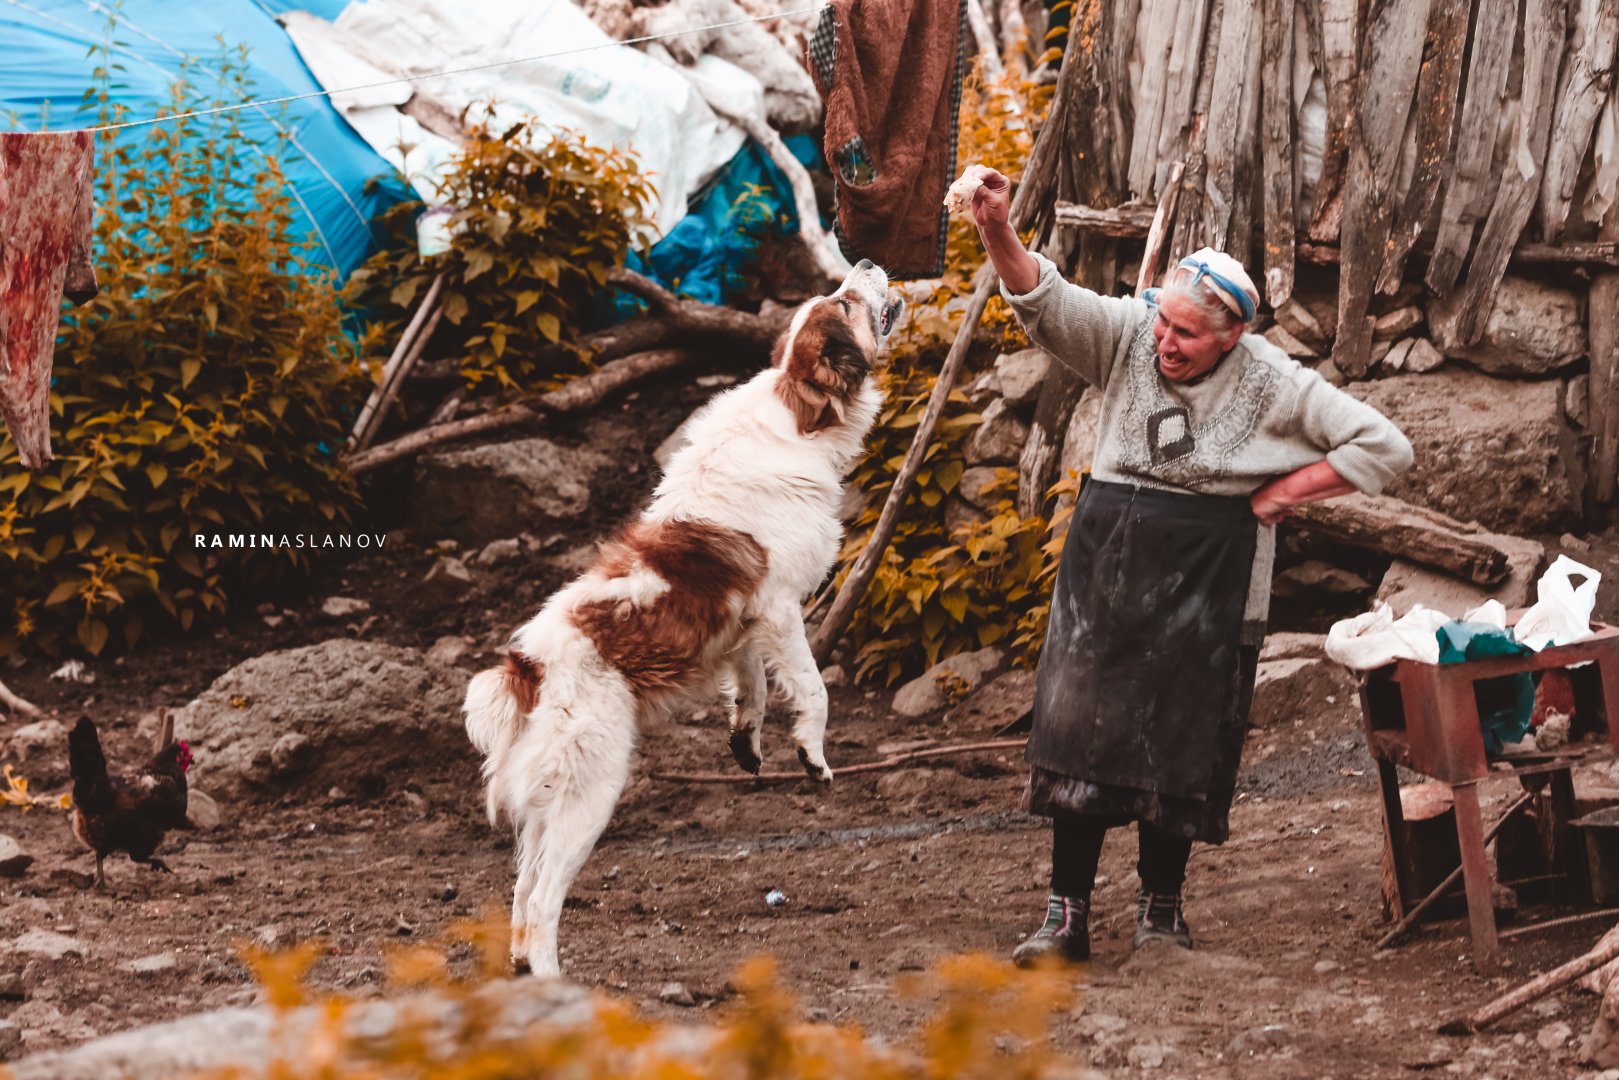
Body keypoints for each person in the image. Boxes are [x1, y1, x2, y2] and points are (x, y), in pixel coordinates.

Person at [963, 167, 1414, 964]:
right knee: (1077, 736)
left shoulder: (1274, 382)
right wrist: (996, 227)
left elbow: (1384, 446)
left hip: (1211, 586)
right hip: (1107, 573)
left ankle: (1160, 912)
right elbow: (1043, 298)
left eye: (1186, 335)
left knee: (1181, 740)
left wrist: (1283, 493)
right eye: (1162, 324)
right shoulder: (1128, 335)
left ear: (1231, 336)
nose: (1165, 343)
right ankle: (1065, 918)